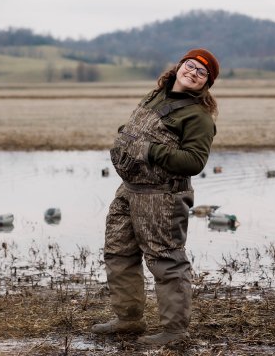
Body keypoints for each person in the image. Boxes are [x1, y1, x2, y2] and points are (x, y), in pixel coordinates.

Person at [92, 48, 219, 346]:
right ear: (179, 66)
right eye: (191, 65)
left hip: (161, 197)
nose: (194, 73)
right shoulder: (156, 95)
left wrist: (149, 151)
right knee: (118, 254)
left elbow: (194, 162)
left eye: (202, 73)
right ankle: (128, 319)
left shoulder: (198, 117)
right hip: (129, 190)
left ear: (206, 84)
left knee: (167, 262)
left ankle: (174, 331)